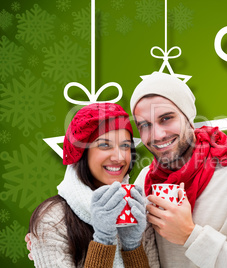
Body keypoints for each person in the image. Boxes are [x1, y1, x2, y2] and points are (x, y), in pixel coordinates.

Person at [131, 72, 227, 267]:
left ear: (188, 117)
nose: (157, 135)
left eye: (166, 119)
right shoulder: (145, 180)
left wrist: (190, 236)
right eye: (144, 125)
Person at [28, 103, 150, 267]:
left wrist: (132, 246)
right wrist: (103, 239)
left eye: (125, 145)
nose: (119, 157)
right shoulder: (52, 220)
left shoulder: (136, 210)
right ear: (82, 152)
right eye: (105, 145)